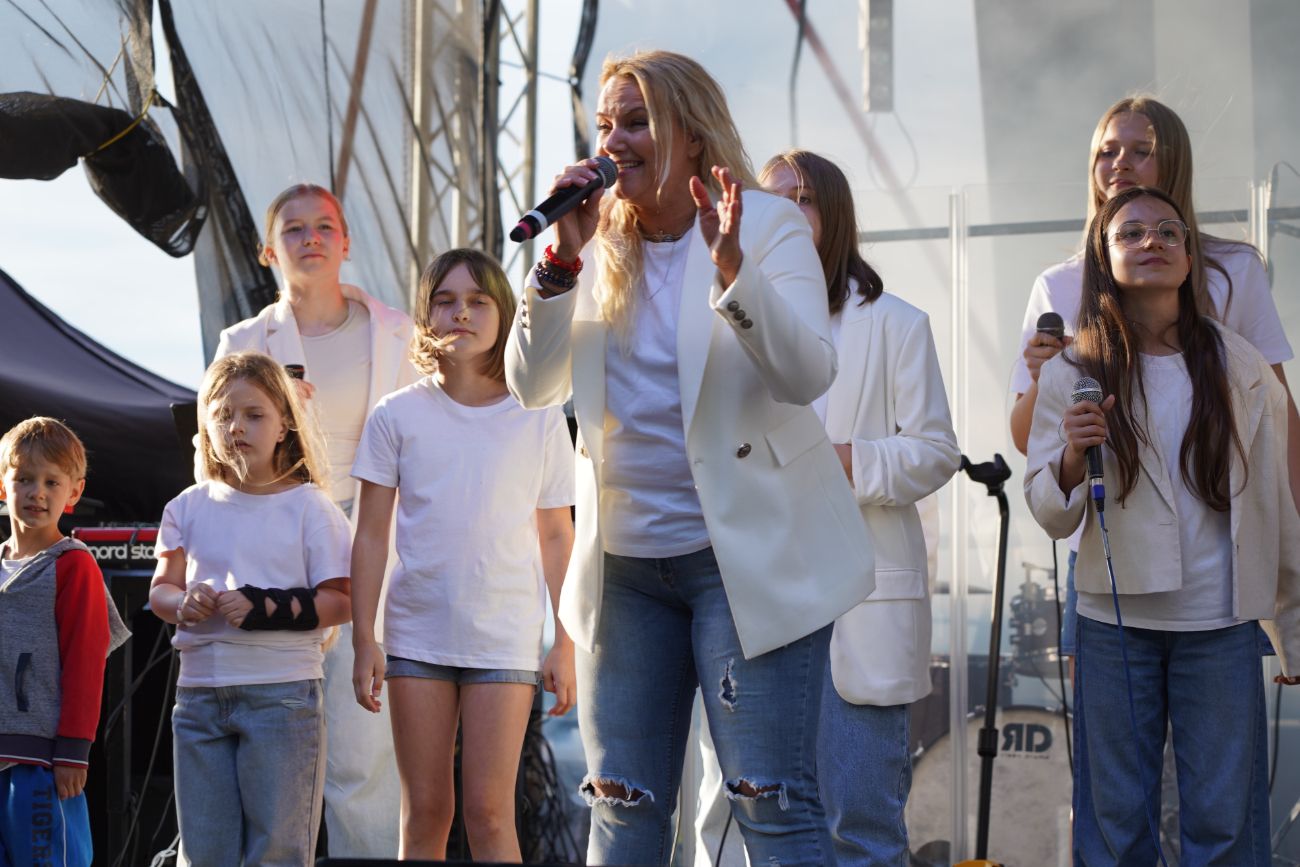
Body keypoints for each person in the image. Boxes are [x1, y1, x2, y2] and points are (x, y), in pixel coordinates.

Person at [505, 49, 875, 866]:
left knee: (769, 803)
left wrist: (733, 270)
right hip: (628, 568)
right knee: (624, 812)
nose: (614, 142)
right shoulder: (596, 241)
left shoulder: (769, 224)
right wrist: (562, 260)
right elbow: (531, 384)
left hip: (742, 558)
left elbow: (808, 369)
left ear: (693, 132)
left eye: (636, 123)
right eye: (604, 125)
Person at [1024, 186, 1300, 865]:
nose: (1153, 241)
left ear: (1190, 256)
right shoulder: (1071, 369)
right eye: (1132, 233)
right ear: (1104, 256)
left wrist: (1291, 624)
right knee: (1114, 829)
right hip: (1113, 626)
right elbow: (1048, 509)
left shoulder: (1238, 362)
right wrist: (1070, 455)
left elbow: (1275, 501)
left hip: (1222, 626)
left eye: (1170, 232)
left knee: (1226, 827)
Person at [1009, 97, 1297, 663]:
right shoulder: (1058, 284)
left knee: (1219, 745)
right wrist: (1048, 377)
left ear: (1175, 167)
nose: (1120, 163)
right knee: (1117, 746)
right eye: (1107, 151)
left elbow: (1279, 416)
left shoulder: (1232, 269)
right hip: (1110, 547)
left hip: (1222, 555)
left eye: (1142, 151)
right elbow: (1028, 441)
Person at [761, 150, 960, 865]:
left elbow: (937, 449)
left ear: (834, 213)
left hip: (860, 606)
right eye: (771, 198)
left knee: (861, 829)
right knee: (767, 827)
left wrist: (848, 461)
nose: (785, 210)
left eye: (803, 198)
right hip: (763, 605)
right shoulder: (735, 324)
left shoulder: (897, 324)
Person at [349, 248, 576, 861]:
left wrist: (565, 640)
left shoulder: (541, 415)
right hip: (416, 634)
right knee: (425, 813)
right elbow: (370, 534)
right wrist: (364, 639)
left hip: (504, 636)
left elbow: (557, 535)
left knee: (490, 813)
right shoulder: (395, 415)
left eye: (478, 301)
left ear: (505, 314)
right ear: (425, 317)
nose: (461, 313)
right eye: (445, 301)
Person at [214, 183, 415, 856]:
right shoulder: (243, 340)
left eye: (324, 225)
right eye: (293, 228)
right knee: (278, 743)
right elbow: (211, 455)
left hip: (375, 535)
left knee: (363, 745)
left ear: (346, 242)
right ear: (269, 250)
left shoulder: (397, 332)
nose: (310, 237)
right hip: (279, 535)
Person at [151, 351, 353, 866]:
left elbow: (342, 600)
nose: (236, 426)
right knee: (204, 854)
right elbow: (161, 592)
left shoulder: (312, 508)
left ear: (285, 423)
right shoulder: (186, 506)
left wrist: (265, 606)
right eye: (222, 415)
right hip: (198, 699)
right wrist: (184, 602)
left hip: (283, 698)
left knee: (279, 853)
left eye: (254, 414)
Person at [0, 417, 127, 867]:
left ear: (73, 493)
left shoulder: (73, 566)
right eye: (24, 479)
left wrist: (74, 750)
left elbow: (85, 665)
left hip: (43, 762)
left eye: (52, 482)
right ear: (2, 486)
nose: (37, 492)